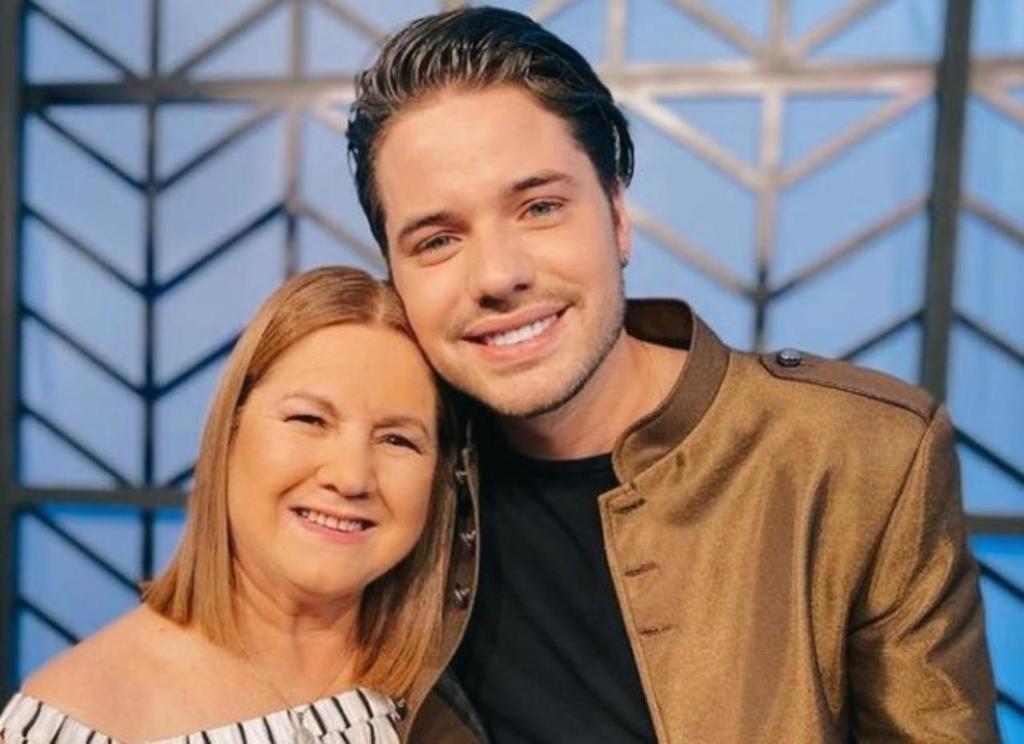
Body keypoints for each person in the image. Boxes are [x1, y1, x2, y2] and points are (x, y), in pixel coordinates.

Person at [345, 7, 999, 743]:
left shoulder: (857, 457)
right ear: (394, 275)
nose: (497, 275)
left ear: (618, 217)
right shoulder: (381, 479)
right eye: (437, 240)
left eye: (540, 207)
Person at [0, 267, 457, 744]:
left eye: (397, 440)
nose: (350, 477)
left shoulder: (457, 691)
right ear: (229, 433)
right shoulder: (81, 720)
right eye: (309, 419)